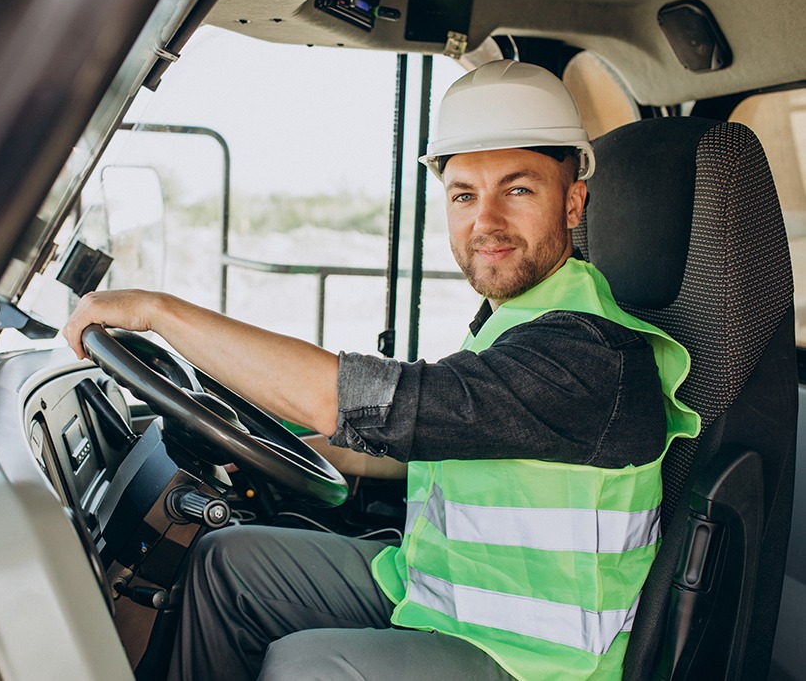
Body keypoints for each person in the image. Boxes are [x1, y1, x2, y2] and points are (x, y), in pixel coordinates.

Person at [63, 60, 700, 681]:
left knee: (308, 667)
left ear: (573, 203)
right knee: (228, 561)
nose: (486, 222)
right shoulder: (522, 320)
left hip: (534, 657)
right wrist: (316, 454)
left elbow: (350, 398)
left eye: (520, 188)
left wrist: (154, 310)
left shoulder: (587, 354)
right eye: (464, 195)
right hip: (445, 590)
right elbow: (460, 441)